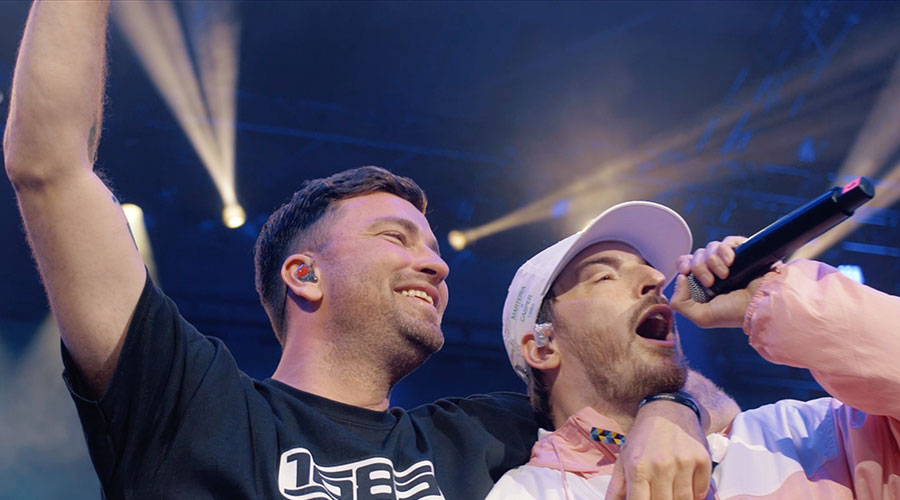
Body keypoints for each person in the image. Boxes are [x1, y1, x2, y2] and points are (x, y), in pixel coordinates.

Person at [4, 2, 738, 499]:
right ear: (305, 274)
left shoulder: (483, 435)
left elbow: (631, 376)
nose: (438, 264)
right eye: (396, 237)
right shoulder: (193, 404)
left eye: (434, 247)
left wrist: (667, 409)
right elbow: (49, 166)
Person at [486, 201, 900, 499]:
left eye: (650, 269)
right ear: (543, 347)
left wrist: (773, 297)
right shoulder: (528, 493)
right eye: (604, 277)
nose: (656, 279)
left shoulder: (802, 436)